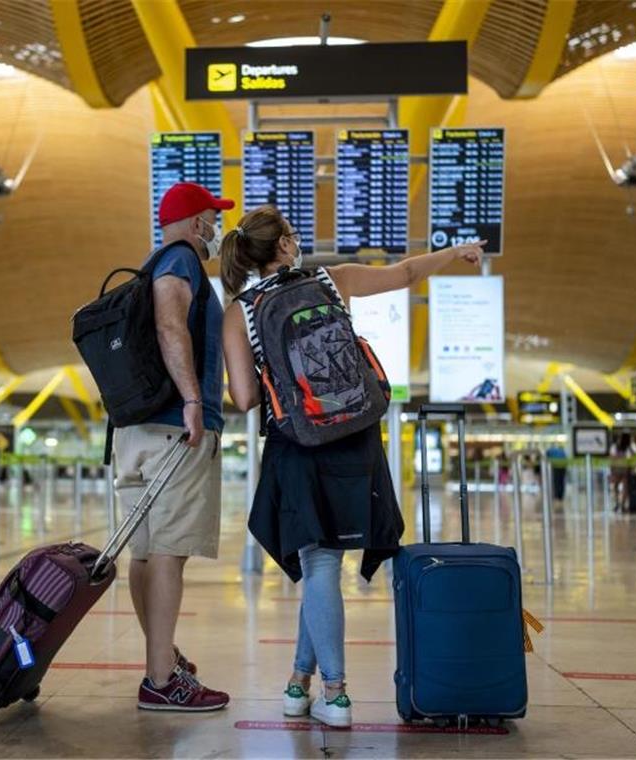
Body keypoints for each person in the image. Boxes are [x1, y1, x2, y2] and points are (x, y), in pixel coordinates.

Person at [220, 204, 483, 728]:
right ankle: (299, 683)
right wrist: (455, 252)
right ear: (287, 246)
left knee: (318, 566)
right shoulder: (331, 281)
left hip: (299, 444)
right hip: (356, 437)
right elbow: (405, 273)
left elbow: (245, 397)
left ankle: (334, 694)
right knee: (326, 567)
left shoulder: (240, 310)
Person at [115, 182, 233, 712]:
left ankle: (161, 660)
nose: (216, 226)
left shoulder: (148, 263)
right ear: (193, 222)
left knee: (143, 554)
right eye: (212, 216)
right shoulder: (181, 260)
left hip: (133, 431)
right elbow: (169, 320)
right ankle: (162, 681)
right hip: (172, 429)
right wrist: (192, 400)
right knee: (168, 552)